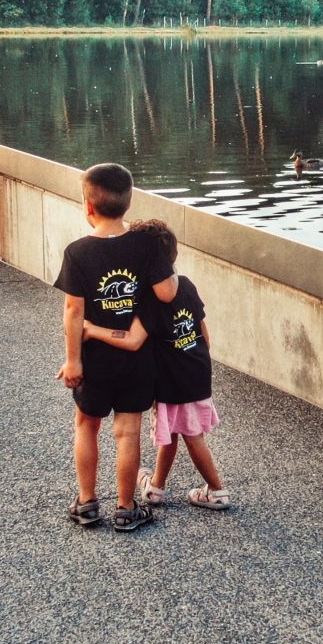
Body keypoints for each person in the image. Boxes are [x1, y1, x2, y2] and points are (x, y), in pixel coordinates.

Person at [55, 164, 178, 532]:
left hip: (95, 361)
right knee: (128, 431)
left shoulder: (77, 252)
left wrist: (73, 360)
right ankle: (126, 509)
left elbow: (73, 311)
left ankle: (87, 503)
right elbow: (167, 292)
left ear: (88, 206)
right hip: (136, 361)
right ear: (129, 203)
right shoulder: (145, 245)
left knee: (86, 425)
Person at [83, 219, 230, 511]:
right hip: (196, 372)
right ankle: (156, 488)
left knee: (191, 437)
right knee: (172, 432)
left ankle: (217, 491)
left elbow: (133, 340)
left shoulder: (149, 300)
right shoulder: (186, 284)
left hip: (172, 381)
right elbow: (204, 334)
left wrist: (91, 330)